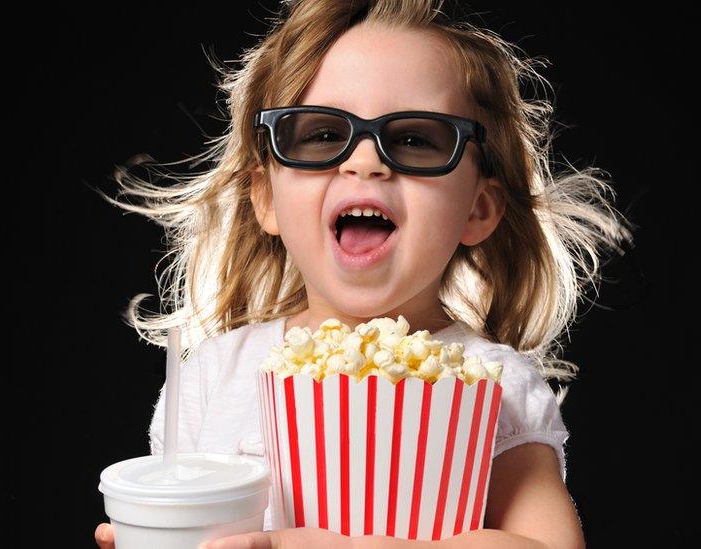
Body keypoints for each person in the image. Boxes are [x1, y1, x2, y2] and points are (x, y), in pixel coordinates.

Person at [94, 0, 634, 547]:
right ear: (267, 199)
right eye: (323, 134)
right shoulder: (212, 378)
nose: (366, 159)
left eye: (416, 139)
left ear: (478, 208)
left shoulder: (495, 385)